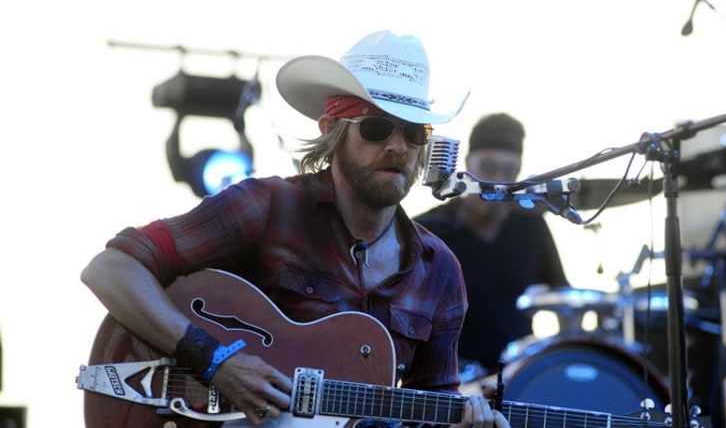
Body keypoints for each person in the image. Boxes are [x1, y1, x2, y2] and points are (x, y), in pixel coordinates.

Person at [80, 30, 508, 428]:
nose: (398, 146)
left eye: (415, 132)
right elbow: (110, 269)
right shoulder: (266, 207)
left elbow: (429, 404)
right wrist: (216, 362)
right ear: (331, 130)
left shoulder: (439, 271)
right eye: (377, 128)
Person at [415, 113, 568, 372]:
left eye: (509, 171)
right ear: (467, 164)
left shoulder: (532, 226)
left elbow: (562, 299)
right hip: (447, 378)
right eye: (487, 167)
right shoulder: (428, 229)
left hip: (516, 377)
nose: (498, 179)